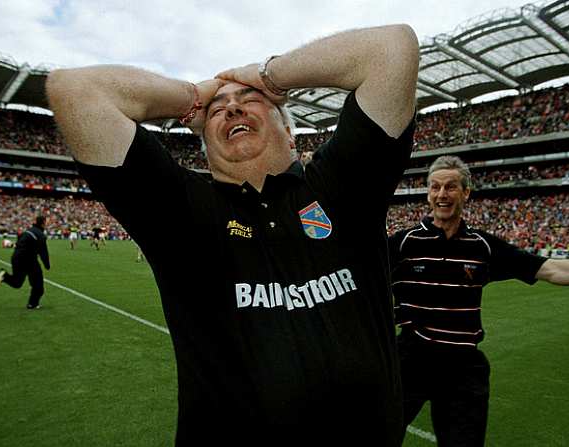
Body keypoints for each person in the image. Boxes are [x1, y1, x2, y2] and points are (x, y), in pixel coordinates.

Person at [46, 23, 419, 446]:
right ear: (202, 137)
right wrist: (192, 97)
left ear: (290, 132)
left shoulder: (341, 184)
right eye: (218, 108)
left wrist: (268, 75)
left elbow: (393, 47)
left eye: (250, 101)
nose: (233, 108)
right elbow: (73, 90)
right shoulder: (179, 211)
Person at [389, 155, 569, 447]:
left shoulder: (483, 247)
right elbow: (355, 272)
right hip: (410, 359)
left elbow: (552, 269)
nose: (441, 195)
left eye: (450, 187)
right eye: (434, 187)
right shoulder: (403, 243)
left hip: (463, 367)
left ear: (466, 192)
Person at [0, 215, 51, 310]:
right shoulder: (41, 235)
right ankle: (32, 304)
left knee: (17, 283)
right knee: (38, 286)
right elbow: (43, 252)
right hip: (29, 260)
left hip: (16, 258)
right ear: (43, 222)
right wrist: (47, 265)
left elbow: (18, 243)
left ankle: (4, 275)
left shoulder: (27, 231)